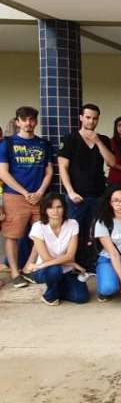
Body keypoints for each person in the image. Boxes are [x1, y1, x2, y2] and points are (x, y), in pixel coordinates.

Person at [0, 106, 54, 288]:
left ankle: (28, 268)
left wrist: (39, 192)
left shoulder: (43, 144)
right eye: (24, 119)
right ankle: (15, 273)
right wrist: (25, 192)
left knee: (41, 234)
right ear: (17, 122)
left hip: (39, 197)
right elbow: (3, 173)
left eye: (32, 119)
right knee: (12, 235)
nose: (28, 123)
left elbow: (49, 171)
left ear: (36, 122)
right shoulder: (7, 143)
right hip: (14, 196)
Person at [58, 104, 116, 271]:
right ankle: (74, 266)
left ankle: (92, 265)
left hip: (98, 194)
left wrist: (97, 141)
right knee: (75, 233)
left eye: (95, 118)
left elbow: (112, 162)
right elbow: (63, 168)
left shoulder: (103, 139)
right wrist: (70, 192)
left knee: (96, 231)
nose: (91, 121)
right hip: (77, 195)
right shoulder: (70, 139)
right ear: (81, 117)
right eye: (88, 117)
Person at [22, 193, 89, 305]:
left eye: (59, 207)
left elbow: (70, 255)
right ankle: (50, 296)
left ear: (64, 208)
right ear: (45, 210)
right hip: (45, 271)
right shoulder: (38, 227)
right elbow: (46, 258)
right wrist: (71, 263)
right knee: (54, 270)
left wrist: (71, 263)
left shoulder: (72, 224)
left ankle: (56, 287)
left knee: (81, 298)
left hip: (65, 270)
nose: (55, 211)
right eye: (50, 207)